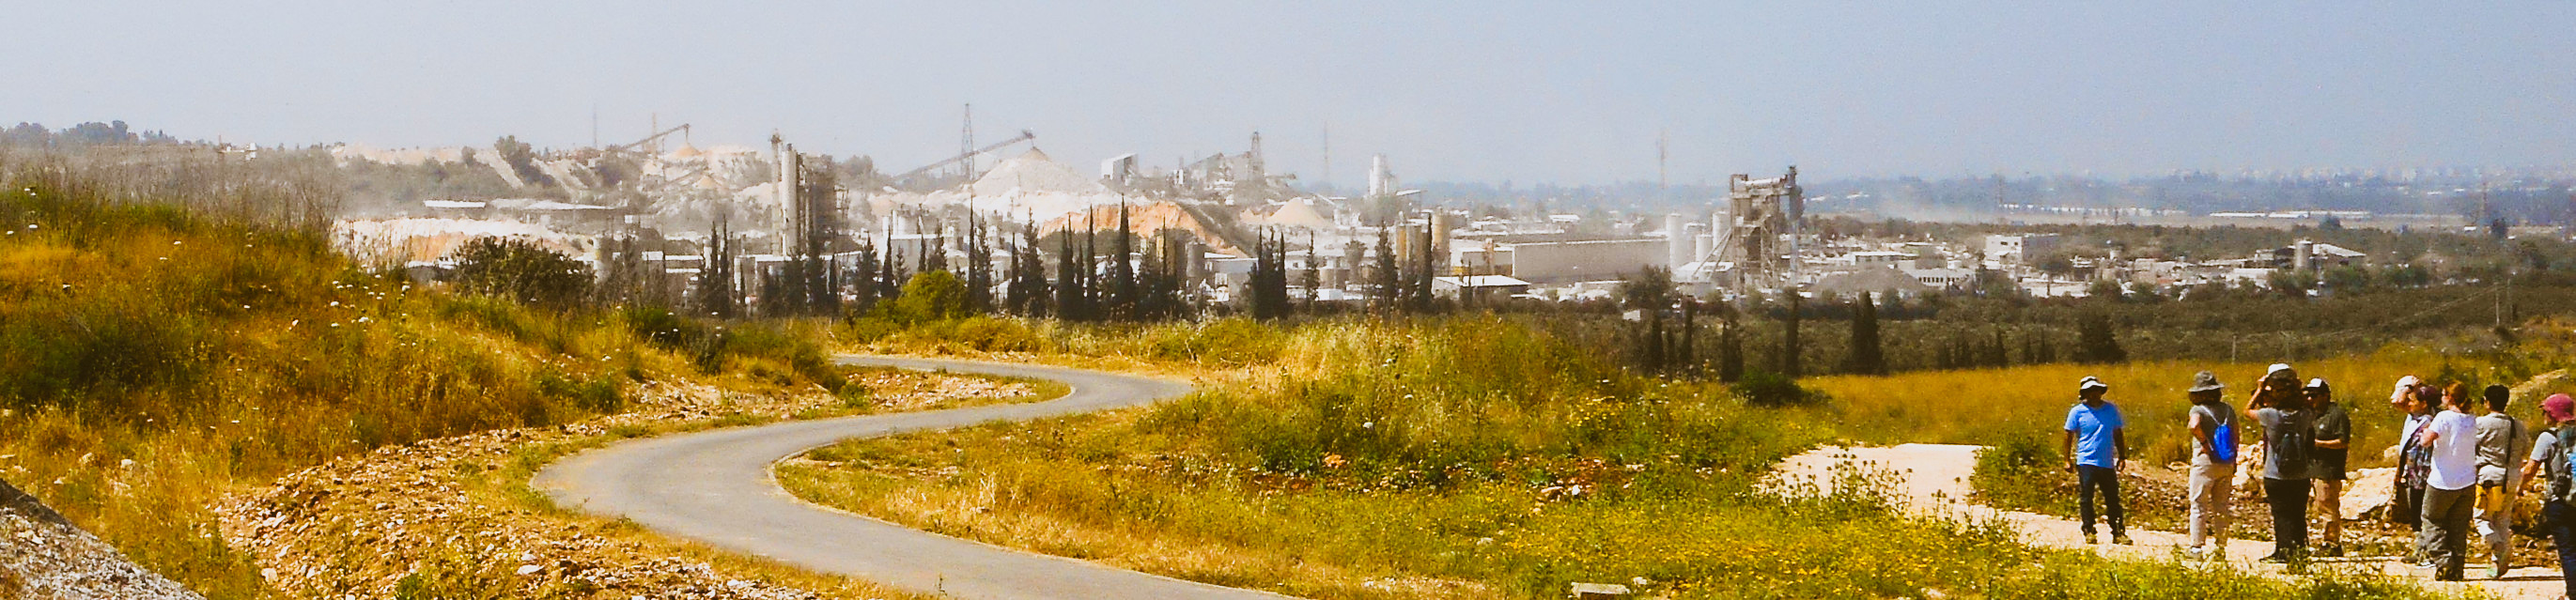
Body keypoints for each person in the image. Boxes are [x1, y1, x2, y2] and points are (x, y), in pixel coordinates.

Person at [2245, 363, 2313, 562]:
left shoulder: (2270, 415)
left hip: (2276, 473)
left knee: (2282, 514)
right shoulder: (2304, 415)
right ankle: (2300, 550)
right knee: (2298, 514)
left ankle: (2284, 551)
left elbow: (2247, 411)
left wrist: (2260, 389)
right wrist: (2297, 388)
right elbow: (2309, 406)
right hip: (2301, 473)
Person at [2417, 381, 2482, 581]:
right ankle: (2457, 567)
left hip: (2442, 479)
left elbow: (2426, 441)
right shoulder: (2472, 419)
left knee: (2431, 520)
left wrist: (2425, 432)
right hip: (2467, 480)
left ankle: (2444, 561)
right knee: (2458, 527)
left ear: (2450, 397)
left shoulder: (2443, 417)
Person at [2516, 393, 2576, 598]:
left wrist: (2520, 487)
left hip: (2558, 500)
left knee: (2568, 550)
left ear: (2552, 414)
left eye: (2545, 412)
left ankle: (2573, 593)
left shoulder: (2547, 437)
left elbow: (2530, 469)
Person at [2062, 376, 2131, 545]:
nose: (2094, 394)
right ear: (2085, 394)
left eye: (2097, 390)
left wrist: (2122, 456)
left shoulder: (2111, 410)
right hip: (2086, 461)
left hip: (2106, 462)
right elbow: (2068, 435)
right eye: (2090, 391)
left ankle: (2118, 532)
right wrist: (2067, 459)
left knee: (2113, 498)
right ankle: (2089, 530)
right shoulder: (2077, 412)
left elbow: (2118, 433)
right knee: (2087, 497)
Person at [2474, 384, 2527, 578]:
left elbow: (2470, 445)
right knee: (2502, 520)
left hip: (2489, 476)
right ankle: (2499, 564)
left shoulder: (2481, 423)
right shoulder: (2517, 424)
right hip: (2512, 475)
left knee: (2481, 517)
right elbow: (2525, 448)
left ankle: (2497, 543)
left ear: (2487, 402)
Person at [2183, 370, 2236, 561]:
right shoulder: (2228, 410)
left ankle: (2196, 548)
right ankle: (2221, 548)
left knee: (2199, 504)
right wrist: (2234, 459)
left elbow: (2194, 426)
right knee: (2221, 506)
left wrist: (2205, 444)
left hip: (2205, 461)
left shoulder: (2198, 410)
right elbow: (2236, 435)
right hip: (2226, 461)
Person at [2306, 377, 2351, 557]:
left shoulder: (2337, 416)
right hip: (2314, 467)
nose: (2310, 399)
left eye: (2314, 395)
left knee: (2328, 505)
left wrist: (2319, 443)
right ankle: (2326, 540)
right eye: (2308, 395)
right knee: (2320, 505)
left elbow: (2343, 441)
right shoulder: (2313, 414)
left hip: (2329, 469)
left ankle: (2333, 543)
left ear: (2325, 395)